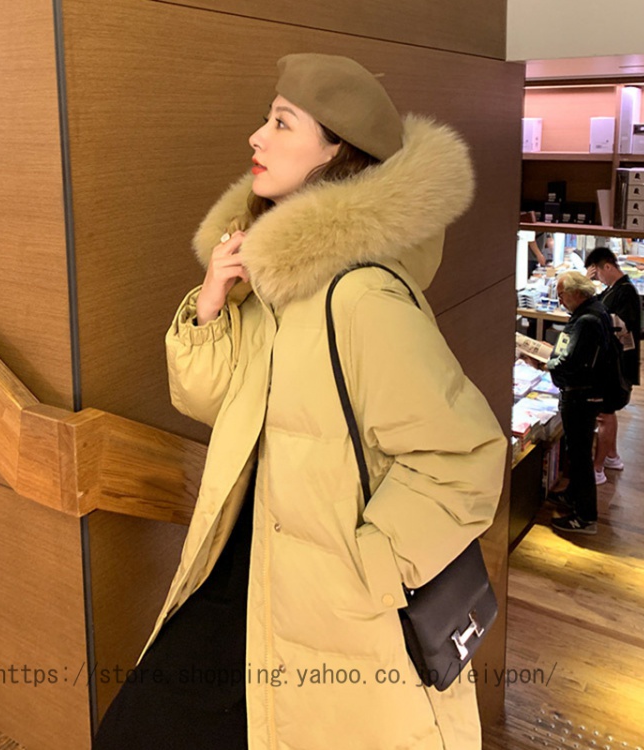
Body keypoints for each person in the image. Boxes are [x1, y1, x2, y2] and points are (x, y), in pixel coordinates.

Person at [94, 53, 507, 750]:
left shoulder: (362, 297)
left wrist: (366, 564)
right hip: (243, 566)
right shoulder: (277, 284)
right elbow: (208, 400)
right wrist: (212, 303)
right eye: (267, 118)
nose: (256, 137)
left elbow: (464, 459)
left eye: (282, 123)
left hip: (326, 601)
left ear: (337, 153)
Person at [546, 271, 615, 535]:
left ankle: (585, 517)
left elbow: (570, 362)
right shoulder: (596, 310)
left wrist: (547, 363)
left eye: (561, 295)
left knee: (580, 454)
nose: (560, 301)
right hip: (589, 393)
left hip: (581, 396)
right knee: (577, 451)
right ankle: (573, 495)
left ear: (576, 293)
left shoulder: (586, 320)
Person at [585, 247, 641, 484]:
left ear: (607, 266)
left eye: (597, 273)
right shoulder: (614, 289)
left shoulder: (625, 292)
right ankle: (612, 457)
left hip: (616, 366)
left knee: (604, 415)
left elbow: (618, 325)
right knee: (608, 413)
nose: (598, 278)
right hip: (615, 364)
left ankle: (597, 469)